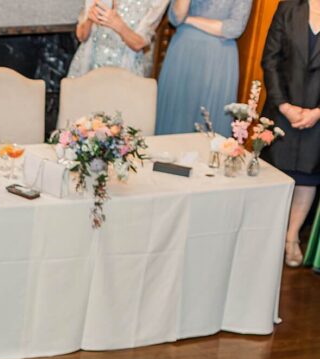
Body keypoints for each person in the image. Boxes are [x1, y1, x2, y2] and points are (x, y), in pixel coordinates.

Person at [260, 0, 320, 268]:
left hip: (317, 116)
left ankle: (291, 236)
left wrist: (317, 113)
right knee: (275, 173)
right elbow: (270, 59)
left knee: (307, 177)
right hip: (283, 108)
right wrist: (283, 104)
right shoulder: (288, 7)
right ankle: (267, 235)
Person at [155, 0, 253, 137]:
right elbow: (175, 18)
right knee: (175, 116)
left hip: (217, 58)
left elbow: (233, 28)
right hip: (183, 51)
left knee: (210, 121)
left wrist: (189, 19)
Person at [67, 0, 170, 78]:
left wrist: (118, 25)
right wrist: (90, 19)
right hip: (88, 68)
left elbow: (138, 44)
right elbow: (81, 36)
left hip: (125, 72)